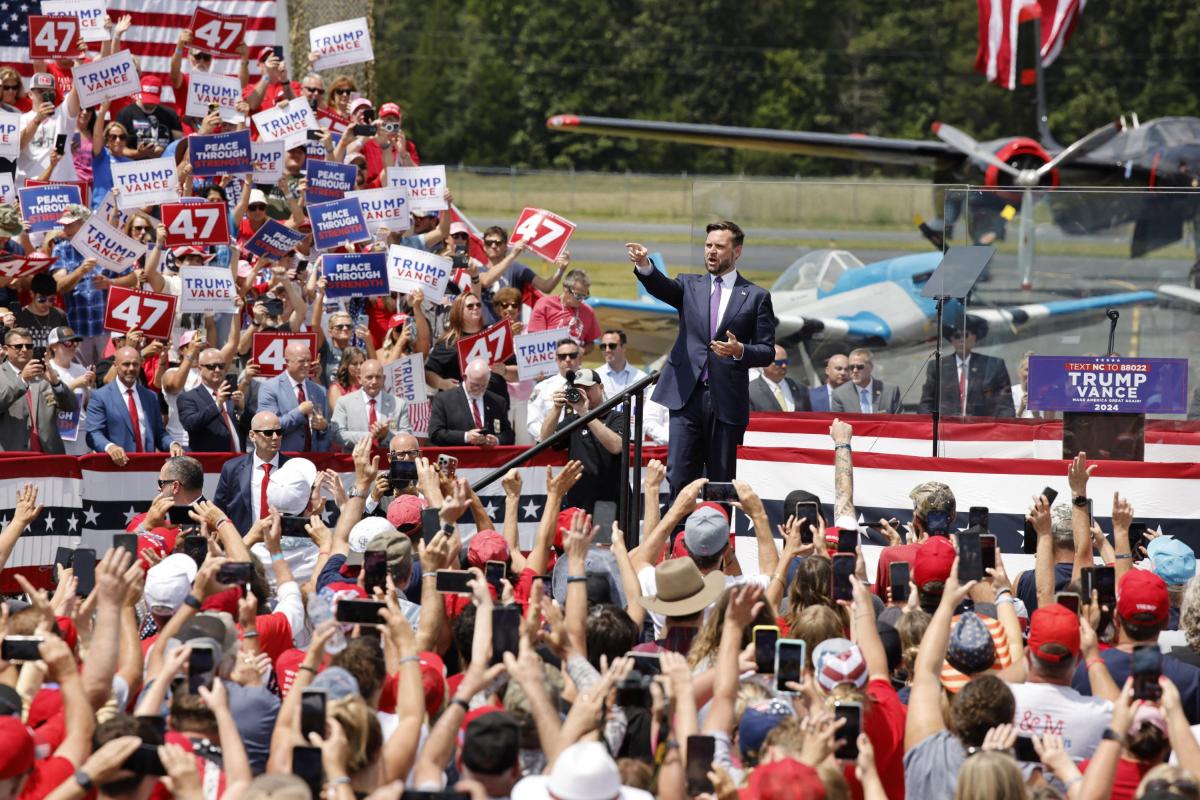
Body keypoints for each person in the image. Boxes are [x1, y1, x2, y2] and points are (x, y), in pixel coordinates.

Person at [626, 222, 775, 495]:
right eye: (708, 246)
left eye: (719, 246)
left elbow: (767, 351)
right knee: (681, 476)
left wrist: (740, 350)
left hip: (726, 401)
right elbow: (661, 287)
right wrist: (645, 265)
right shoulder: (688, 284)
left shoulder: (756, 296)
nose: (711, 252)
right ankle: (679, 538)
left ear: (737, 251)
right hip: (686, 396)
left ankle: (717, 537)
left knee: (720, 481)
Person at [539, 368, 624, 513]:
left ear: (601, 387)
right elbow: (545, 441)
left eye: (587, 388)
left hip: (609, 501)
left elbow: (616, 447)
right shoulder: (573, 420)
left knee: (605, 537)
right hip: (578, 500)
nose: (583, 393)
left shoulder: (616, 417)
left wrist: (585, 413)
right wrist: (556, 408)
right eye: (578, 389)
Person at [85, 346, 183, 463]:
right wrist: (109, 447)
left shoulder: (150, 397)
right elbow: (93, 433)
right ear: (115, 365)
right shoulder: (100, 396)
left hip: (146, 467)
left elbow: (159, 433)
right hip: (116, 467)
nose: (131, 368)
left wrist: (172, 444)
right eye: (126, 364)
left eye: (135, 364)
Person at [918, 315, 1015, 417]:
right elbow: (926, 403)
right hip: (947, 429)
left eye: (965, 335)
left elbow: (1005, 405)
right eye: (956, 336)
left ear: (974, 338)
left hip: (981, 429)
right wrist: (929, 427)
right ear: (952, 340)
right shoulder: (937, 366)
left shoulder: (993, 366)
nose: (961, 340)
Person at [0, 327, 76, 453]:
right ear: (6, 350)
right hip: (13, 455)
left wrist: (56, 383)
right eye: (18, 346)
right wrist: (22, 380)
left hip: (49, 455)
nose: (24, 350)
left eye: (29, 346)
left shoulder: (44, 375)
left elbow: (71, 406)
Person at [213, 411, 289, 535]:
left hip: (283, 545)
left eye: (279, 432)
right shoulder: (232, 468)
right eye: (268, 433)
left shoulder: (293, 468)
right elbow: (219, 510)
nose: (275, 437)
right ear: (252, 435)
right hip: (244, 544)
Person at [257, 341, 331, 453]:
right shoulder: (270, 388)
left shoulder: (319, 391)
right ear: (287, 362)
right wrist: (299, 412)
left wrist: (324, 427)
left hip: (314, 460)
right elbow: (268, 428)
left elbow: (327, 430)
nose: (306, 365)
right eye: (301, 361)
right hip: (283, 459)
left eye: (309, 360)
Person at [428, 358, 514, 447]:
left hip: (489, 458)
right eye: (475, 385)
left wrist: (496, 440)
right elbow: (435, 434)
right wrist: (466, 436)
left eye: (484, 386)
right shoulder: (444, 400)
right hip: (459, 457)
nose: (479, 389)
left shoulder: (498, 402)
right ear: (465, 377)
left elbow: (509, 435)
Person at [329, 358, 411, 450]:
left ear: (384, 379)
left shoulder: (399, 404)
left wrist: (386, 435)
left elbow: (407, 436)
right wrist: (371, 436)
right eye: (369, 377)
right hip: (355, 461)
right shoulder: (344, 402)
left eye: (378, 377)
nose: (374, 381)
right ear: (360, 378)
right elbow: (337, 434)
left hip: (388, 461)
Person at [176, 348, 246, 453]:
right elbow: (190, 424)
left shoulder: (231, 394)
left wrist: (242, 409)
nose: (217, 370)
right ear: (200, 369)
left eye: (221, 366)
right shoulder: (188, 398)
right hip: (211, 462)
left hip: (239, 459)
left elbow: (252, 427)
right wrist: (217, 404)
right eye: (211, 366)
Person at [45, 325, 95, 456]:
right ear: (53, 346)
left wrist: (91, 384)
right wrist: (76, 383)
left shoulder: (80, 369)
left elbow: (89, 403)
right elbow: (49, 399)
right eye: (68, 342)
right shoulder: (48, 369)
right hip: (59, 436)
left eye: (75, 342)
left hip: (82, 435)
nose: (73, 346)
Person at [527, 264, 600, 353]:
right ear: (565, 289)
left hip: (574, 362)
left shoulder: (588, 311)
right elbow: (534, 339)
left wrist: (581, 351)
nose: (581, 300)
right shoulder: (545, 305)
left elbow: (590, 343)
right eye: (578, 295)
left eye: (585, 296)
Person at [527, 339, 583, 442]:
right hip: (550, 445)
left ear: (580, 358)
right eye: (562, 356)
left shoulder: (590, 385)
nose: (567, 359)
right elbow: (532, 421)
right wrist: (548, 437)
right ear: (556, 359)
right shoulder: (542, 387)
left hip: (582, 443)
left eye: (572, 355)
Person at [114, 76, 183, 156]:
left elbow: (179, 144)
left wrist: (165, 151)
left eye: (153, 100)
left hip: (163, 164)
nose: (150, 103)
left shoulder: (170, 114)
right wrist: (138, 153)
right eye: (147, 99)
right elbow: (116, 148)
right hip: (134, 164)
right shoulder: (126, 114)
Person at [831, 348, 901, 414]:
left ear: (871, 367)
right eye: (851, 367)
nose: (855, 371)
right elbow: (837, 423)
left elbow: (900, 421)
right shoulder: (839, 394)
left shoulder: (890, 391)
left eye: (860, 367)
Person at [13, 272, 68, 347]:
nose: (47, 303)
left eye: (51, 300)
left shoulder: (59, 314)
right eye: (42, 299)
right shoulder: (20, 315)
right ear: (32, 294)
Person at [749, 345, 811, 412]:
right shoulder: (749, 393)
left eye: (786, 362)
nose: (784, 366)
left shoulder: (800, 388)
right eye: (779, 362)